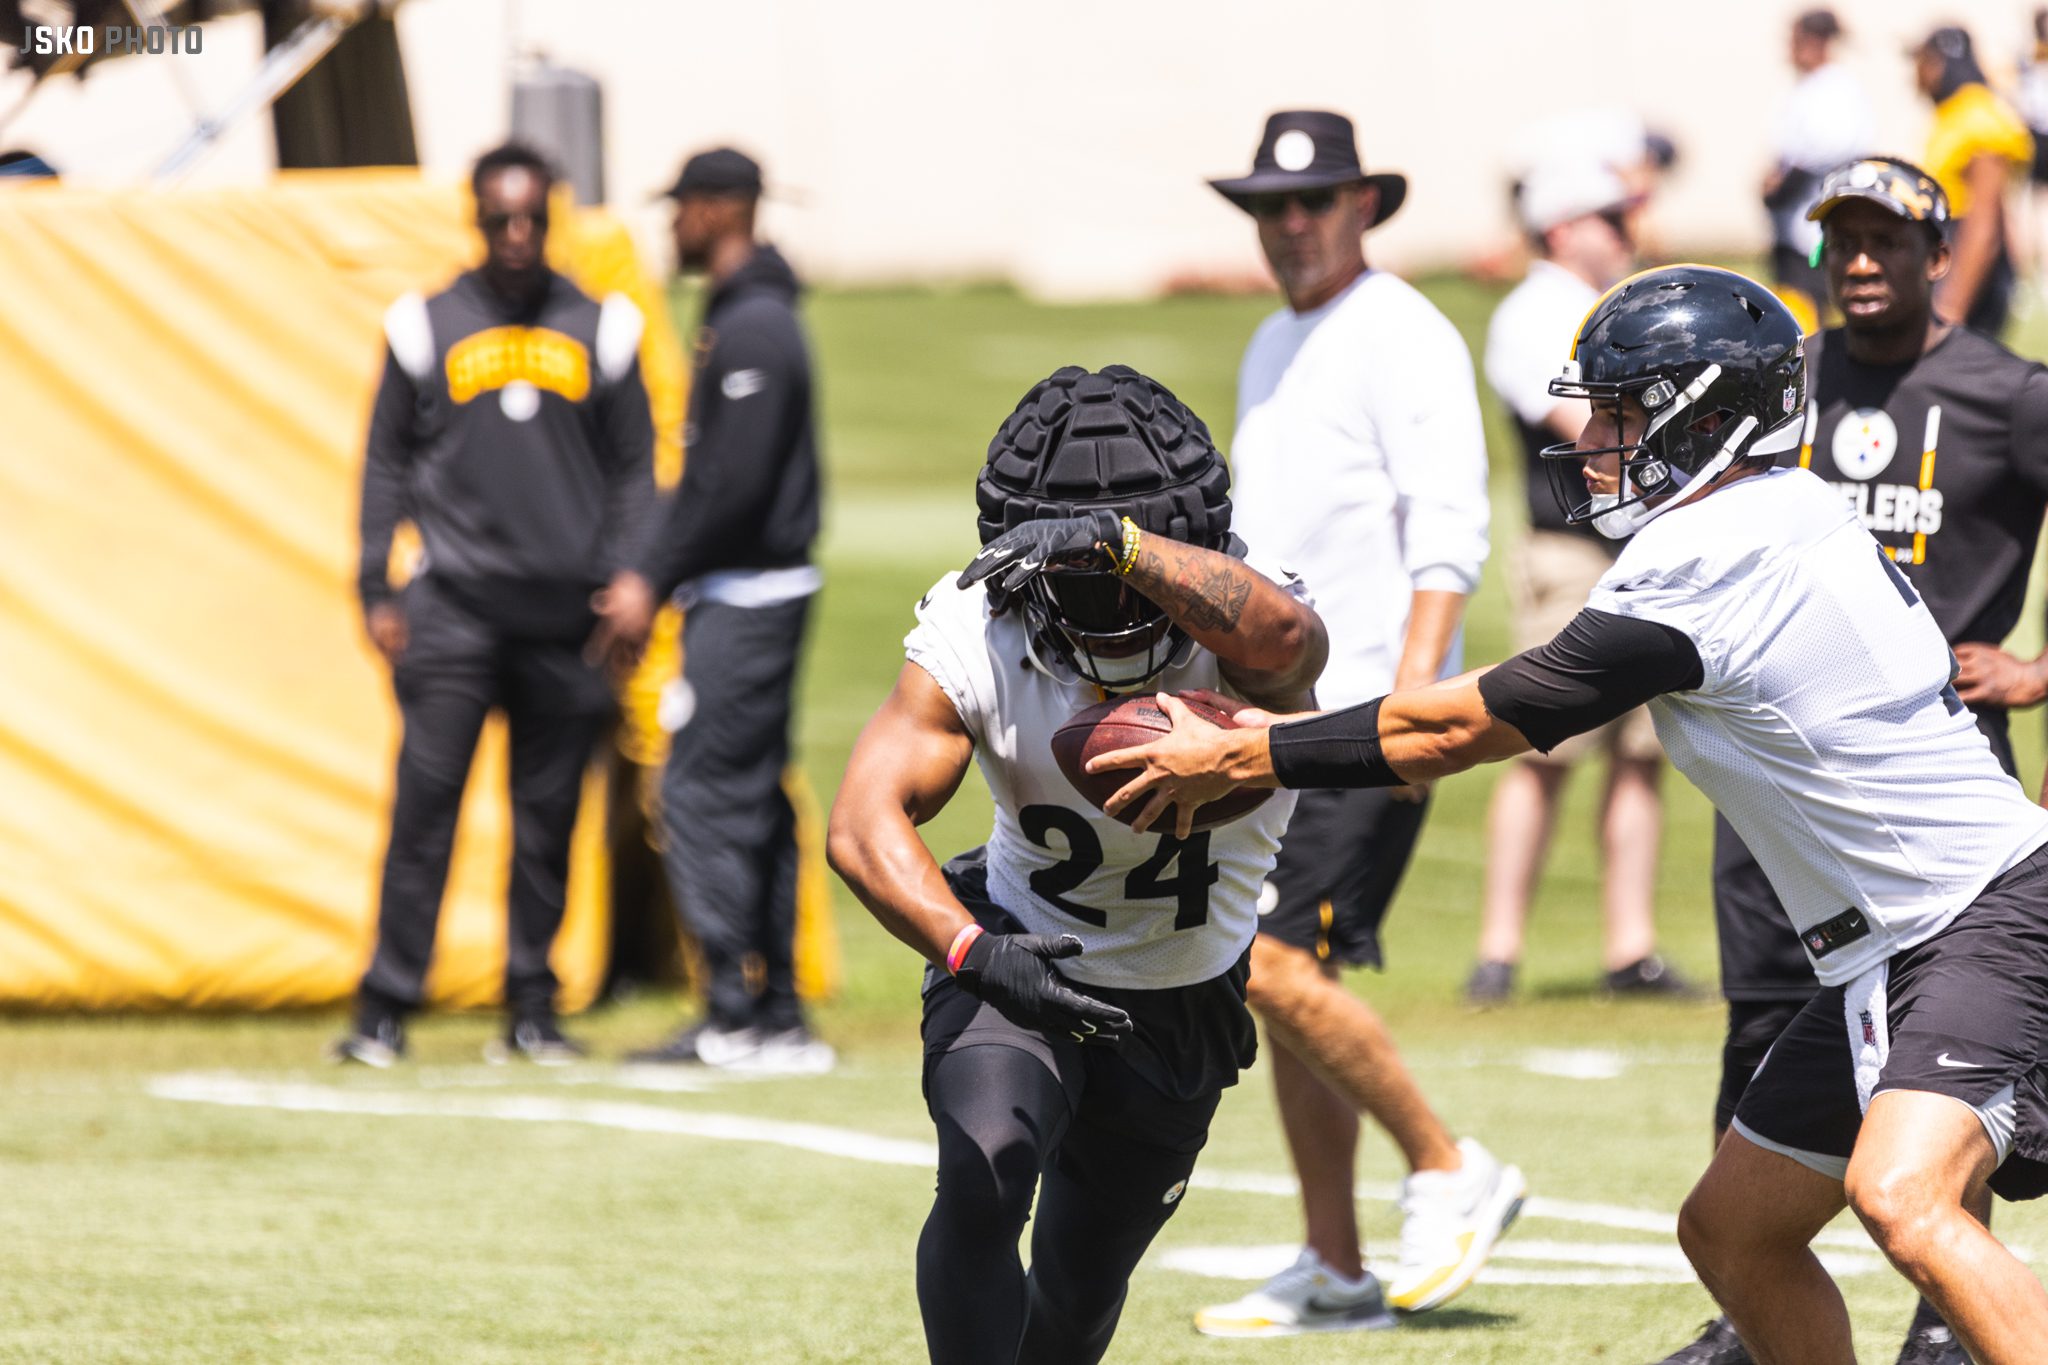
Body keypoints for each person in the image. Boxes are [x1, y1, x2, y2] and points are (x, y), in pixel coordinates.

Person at [1089, 264, 2048, 1365]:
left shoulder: (1709, 554)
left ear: (1708, 418)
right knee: (1733, 1232)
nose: (1592, 439)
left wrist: (1247, 750)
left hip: (1975, 922)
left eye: (1621, 413)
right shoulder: (1783, 509)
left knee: (1903, 1196)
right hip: (1893, 945)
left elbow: (1463, 726)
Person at [826, 365, 1328, 1363]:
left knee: (1078, 1290)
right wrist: (972, 952)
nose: (1108, 620)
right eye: (1080, 592)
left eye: (1126, 587)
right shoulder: (980, 616)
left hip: (1180, 995)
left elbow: (1289, 645)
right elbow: (859, 822)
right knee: (987, 1168)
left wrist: (1114, 545)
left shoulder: (1249, 609)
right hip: (1019, 953)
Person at [1650, 157, 2048, 1365]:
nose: (1862, 262)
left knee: (1940, 1041)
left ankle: (1942, 1322)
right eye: (1842, 241)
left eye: (1887, 239)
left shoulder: (2007, 394)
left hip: (1932, 774)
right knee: (1767, 1024)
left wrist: (2037, 671)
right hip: (1771, 775)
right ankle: (1745, 1308)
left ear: (1942, 254)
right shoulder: (1776, 388)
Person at [1191, 109, 1523, 1336]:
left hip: (1364, 712)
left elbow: (1447, 530)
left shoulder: (1401, 330)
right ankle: (1332, 1265)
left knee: (1267, 962)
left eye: (1311, 201)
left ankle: (1446, 1164)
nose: (1288, 225)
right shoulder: (1273, 340)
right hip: (1276, 718)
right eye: (1269, 207)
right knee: (1282, 977)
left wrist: (1411, 710)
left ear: (1360, 207)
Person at [334, 143, 654, 1066]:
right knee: (424, 810)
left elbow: (637, 470)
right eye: (499, 219)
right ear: (475, 220)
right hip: (453, 611)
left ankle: (531, 1006)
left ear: (551, 221)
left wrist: (634, 576)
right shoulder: (423, 323)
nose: (516, 236)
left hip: (568, 617)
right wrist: (375, 581)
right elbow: (384, 461)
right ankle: (385, 1005)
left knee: (547, 823)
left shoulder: (605, 326)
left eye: (531, 220)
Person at [592, 147, 830, 1074]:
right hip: (747, 591)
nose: (673, 224)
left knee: (699, 792)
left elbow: (729, 486)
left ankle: (736, 1008)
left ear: (722, 208)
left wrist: (650, 578)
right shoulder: (744, 314)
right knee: (754, 793)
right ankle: (777, 1012)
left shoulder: (756, 326)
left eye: (683, 206)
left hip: (751, 596)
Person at [1469, 157, 1685, 1006]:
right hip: (1571, 550)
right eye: (1611, 217)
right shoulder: (1533, 313)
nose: (1630, 231)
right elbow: (1594, 436)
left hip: (1645, 549)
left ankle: (1631, 948)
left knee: (1640, 756)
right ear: (1561, 227)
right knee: (1542, 747)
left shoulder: (1612, 303)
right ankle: (1497, 951)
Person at [1912, 25, 2035, 337]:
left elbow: (1983, 223)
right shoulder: (1955, 113)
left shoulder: (1978, 117)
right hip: (1953, 253)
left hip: (1969, 269)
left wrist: (1951, 308)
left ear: (1936, 64)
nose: (1914, 74)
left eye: (1919, 61)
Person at [1763, 9, 1873, 318]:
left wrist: (1783, 186)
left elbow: (1827, 148)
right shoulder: (1806, 87)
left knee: (1807, 320)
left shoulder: (1836, 89)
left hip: (1813, 229)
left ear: (1815, 41)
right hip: (1791, 229)